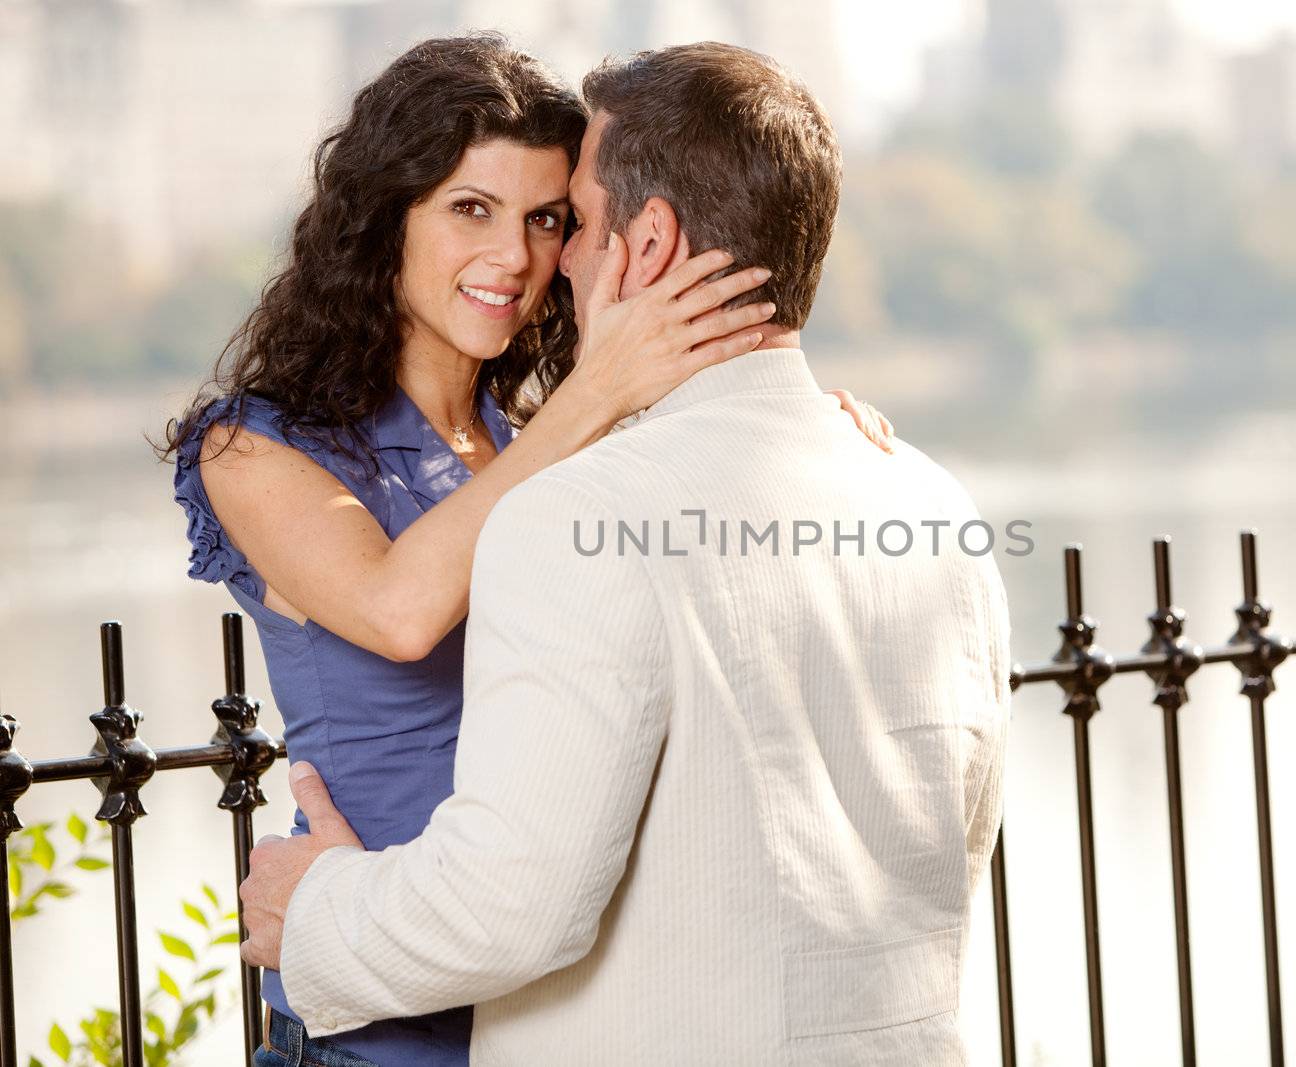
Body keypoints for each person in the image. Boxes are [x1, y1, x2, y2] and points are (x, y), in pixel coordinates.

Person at [239, 41, 1011, 1066]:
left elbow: (517, 903)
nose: (535, 260)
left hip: (438, 957)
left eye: (564, 220)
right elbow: (955, 843)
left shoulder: (573, 491)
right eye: (470, 208)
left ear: (646, 241)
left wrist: (322, 908)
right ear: (388, 215)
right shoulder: (930, 501)